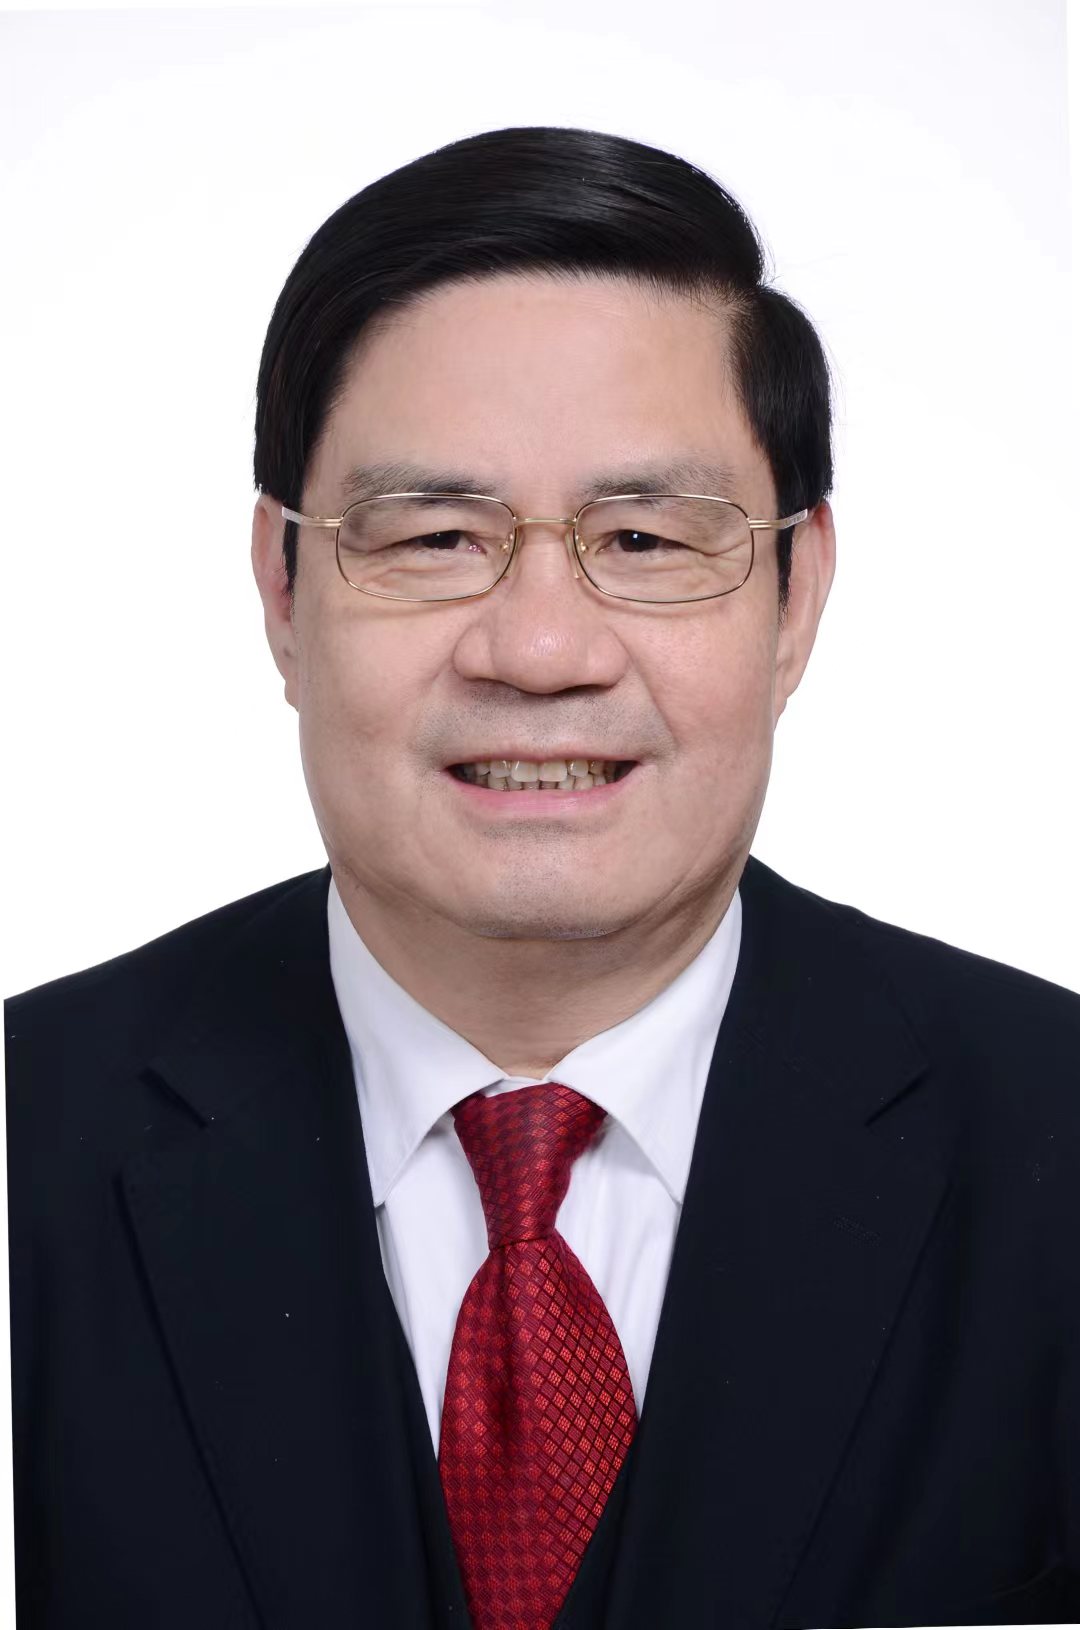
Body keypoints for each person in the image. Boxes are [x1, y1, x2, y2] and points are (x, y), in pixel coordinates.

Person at [5, 125, 1078, 1630]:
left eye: (643, 538)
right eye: (436, 536)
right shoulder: (26, 1135)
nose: (542, 649)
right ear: (283, 591)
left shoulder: (1054, 1140)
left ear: (795, 599)